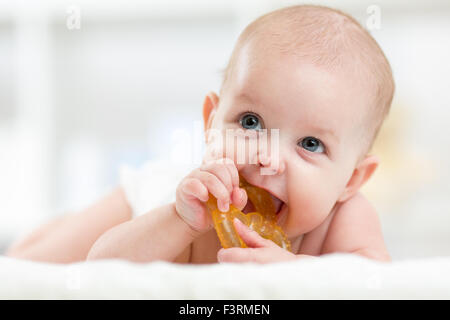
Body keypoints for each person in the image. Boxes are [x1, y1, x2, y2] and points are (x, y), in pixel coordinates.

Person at [6, 5, 394, 264]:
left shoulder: (346, 220)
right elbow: (100, 269)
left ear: (352, 179)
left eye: (310, 144)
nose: (266, 157)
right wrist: (180, 220)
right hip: (146, 201)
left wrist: (297, 273)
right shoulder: (191, 206)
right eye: (250, 122)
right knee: (30, 262)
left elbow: (375, 285)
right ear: (211, 122)